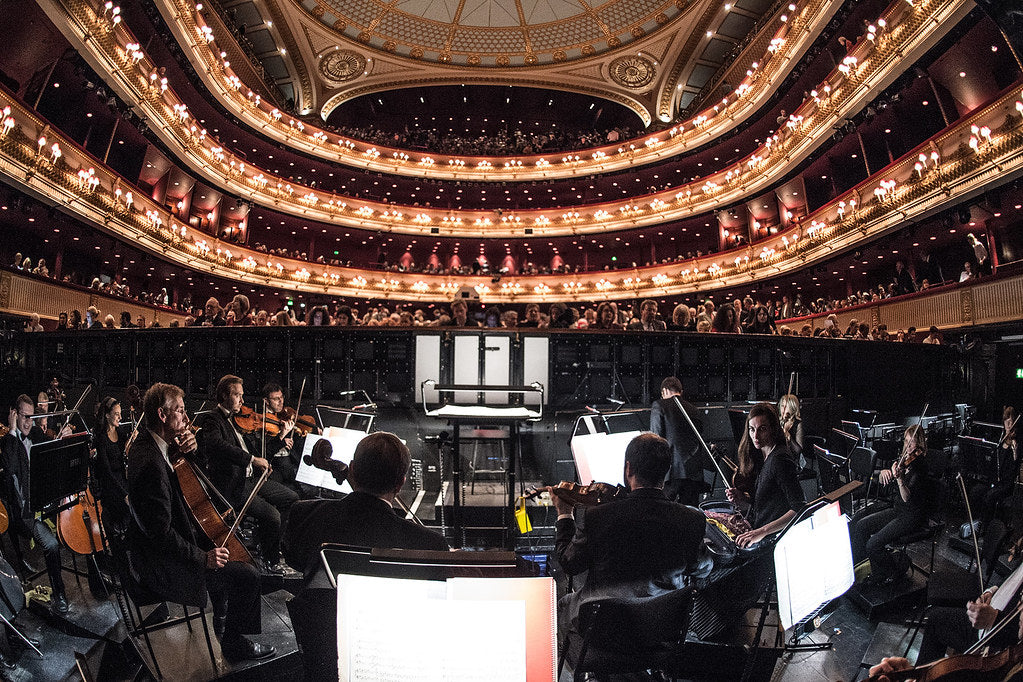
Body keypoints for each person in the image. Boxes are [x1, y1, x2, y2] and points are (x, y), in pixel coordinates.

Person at [125, 383, 275, 662]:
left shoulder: (155, 445)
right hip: (160, 563)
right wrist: (203, 557)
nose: (186, 418)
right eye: (180, 411)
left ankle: (221, 615)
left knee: (228, 547)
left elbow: (186, 480)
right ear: (162, 414)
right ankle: (234, 644)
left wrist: (191, 451)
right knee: (247, 575)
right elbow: (160, 535)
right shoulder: (149, 463)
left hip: (171, 541)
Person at [284, 433, 448, 680]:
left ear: (352, 470)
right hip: (394, 661)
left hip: (323, 657)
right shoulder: (428, 544)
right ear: (400, 483)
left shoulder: (304, 514)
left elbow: (296, 561)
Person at [553, 433, 712, 635]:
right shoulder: (692, 518)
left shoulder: (596, 517)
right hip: (660, 629)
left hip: (605, 631)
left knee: (564, 604)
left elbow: (570, 564)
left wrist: (564, 514)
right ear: (666, 471)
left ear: (628, 468)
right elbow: (702, 569)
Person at [195, 375, 299, 576]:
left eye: (242, 396)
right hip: (235, 485)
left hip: (252, 480)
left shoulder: (235, 421)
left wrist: (263, 461)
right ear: (224, 395)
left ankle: (264, 545)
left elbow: (258, 454)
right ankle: (271, 561)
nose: (242, 401)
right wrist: (252, 460)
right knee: (273, 516)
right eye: (237, 395)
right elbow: (217, 445)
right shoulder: (212, 419)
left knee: (291, 498)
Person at [1, 395, 70, 613]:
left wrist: (61, 440)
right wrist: (12, 431)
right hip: (24, 513)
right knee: (50, 544)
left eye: (31, 417)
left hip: (44, 504)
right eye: (24, 417)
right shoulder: (6, 442)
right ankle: (59, 595)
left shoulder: (38, 435)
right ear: (14, 415)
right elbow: (9, 470)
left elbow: (52, 459)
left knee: (80, 527)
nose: (29, 422)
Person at [849, 424, 932, 584]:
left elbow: (907, 497)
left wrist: (900, 479)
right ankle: (863, 566)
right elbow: (890, 479)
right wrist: (885, 472)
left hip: (912, 516)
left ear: (919, 444)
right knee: (861, 526)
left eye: (912, 442)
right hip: (897, 509)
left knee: (874, 544)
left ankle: (894, 570)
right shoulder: (903, 462)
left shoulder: (921, 466)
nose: (907, 446)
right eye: (906, 441)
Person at [726, 403, 804, 548]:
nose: (755, 436)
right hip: (759, 529)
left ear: (773, 429)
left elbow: (799, 508)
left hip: (770, 539)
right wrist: (744, 499)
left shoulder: (780, 459)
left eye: (762, 429)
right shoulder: (764, 455)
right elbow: (770, 501)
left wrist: (761, 532)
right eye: (752, 429)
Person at [650, 377, 705, 505]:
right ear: (681, 391)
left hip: (671, 471)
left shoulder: (659, 405)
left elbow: (656, 438)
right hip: (693, 470)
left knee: (663, 510)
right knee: (690, 512)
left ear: (664, 391)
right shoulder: (694, 409)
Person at [777, 394, 804, 466]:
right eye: (782, 406)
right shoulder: (779, 421)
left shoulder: (798, 424)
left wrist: (789, 436)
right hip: (778, 457)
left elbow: (798, 450)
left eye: (786, 406)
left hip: (791, 460)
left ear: (792, 407)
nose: (783, 409)